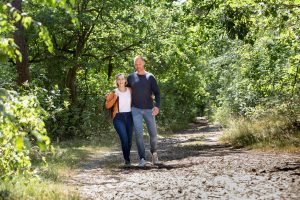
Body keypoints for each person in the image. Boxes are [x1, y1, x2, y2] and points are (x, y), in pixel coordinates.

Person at [127, 55, 161, 167]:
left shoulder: (150, 77)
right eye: (136, 64)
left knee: (153, 134)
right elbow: (124, 90)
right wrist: (113, 93)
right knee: (138, 134)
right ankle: (142, 158)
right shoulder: (131, 77)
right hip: (135, 109)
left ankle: (154, 154)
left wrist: (157, 106)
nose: (138, 66)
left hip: (149, 109)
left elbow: (157, 93)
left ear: (144, 63)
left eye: (139, 63)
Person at [105, 73, 133, 166]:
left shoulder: (130, 90)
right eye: (118, 79)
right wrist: (115, 98)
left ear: (125, 80)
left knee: (129, 139)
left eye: (122, 79)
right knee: (124, 138)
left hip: (130, 116)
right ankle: (127, 160)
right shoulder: (114, 92)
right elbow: (107, 105)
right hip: (118, 117)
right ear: (116, 81)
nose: (121, 81)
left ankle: (127, 157)